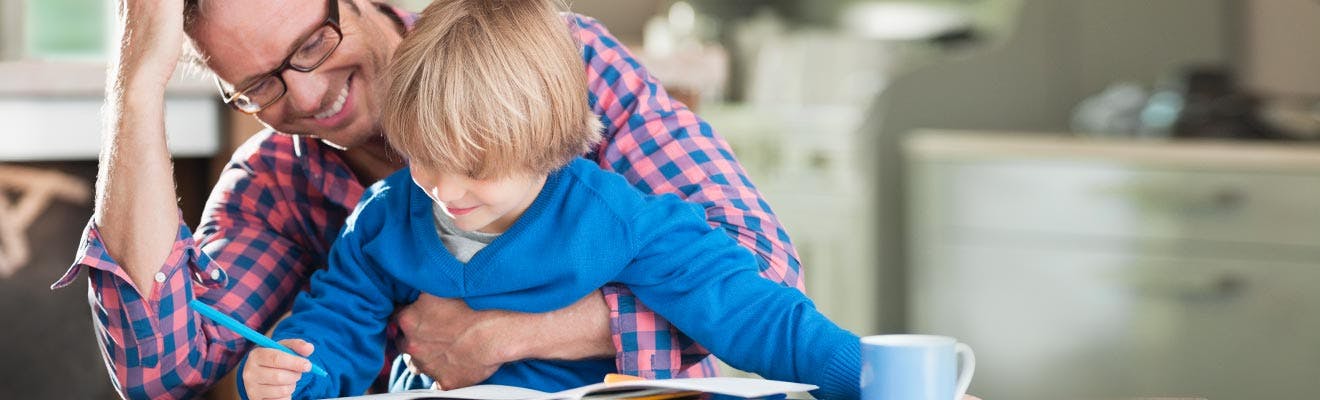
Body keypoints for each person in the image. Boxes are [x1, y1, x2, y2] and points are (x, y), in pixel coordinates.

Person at [52, 0, 805, 398]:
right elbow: (160, 369)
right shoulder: (273, 184)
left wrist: (514, 333)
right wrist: (135, 86)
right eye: (259, 86)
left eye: (311, 43)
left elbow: (765, 275)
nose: (310, 96)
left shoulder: (545, 59)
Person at [238, 1, 861, 398]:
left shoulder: (612, 217)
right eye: (425, 158)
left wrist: (858, 372)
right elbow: (337, 320)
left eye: (474, 166)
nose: (445, 192)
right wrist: (296, 376)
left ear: (546, 142)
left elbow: (745, 306)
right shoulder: (382, 218)